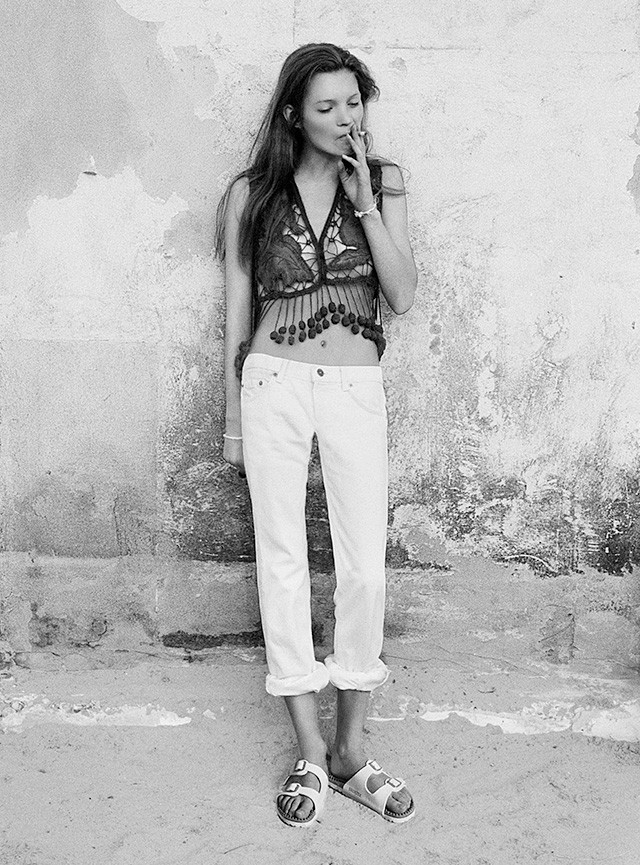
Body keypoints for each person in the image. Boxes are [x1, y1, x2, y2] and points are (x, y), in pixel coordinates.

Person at [215, 42, 417, 827]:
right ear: (295, 114)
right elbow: (237, 312)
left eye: (353, 103)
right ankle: (308, 747)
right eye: (326, 106)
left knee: (364, 568)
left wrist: (365, 203)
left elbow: (401, 293)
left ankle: (350, 750)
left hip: (354, 387)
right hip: (272, 383)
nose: (344, 118)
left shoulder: (385, 180)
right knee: (283, 563)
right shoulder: (250, 194)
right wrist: (233, 421)